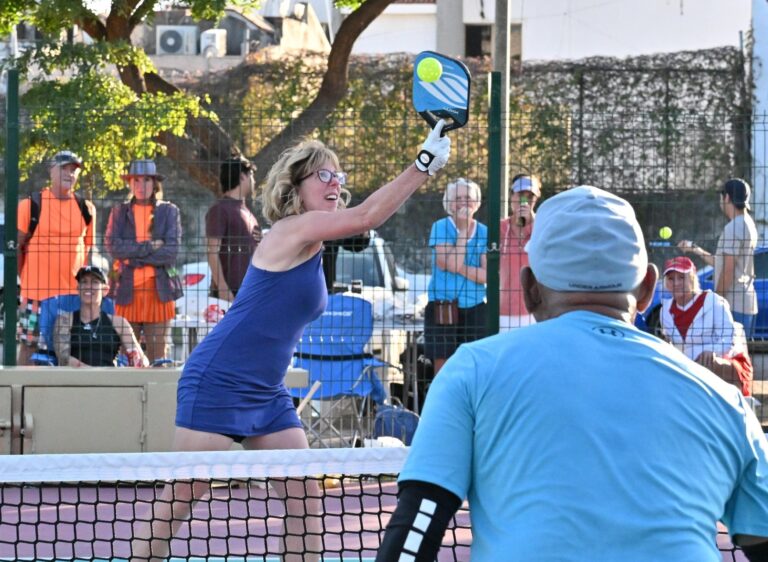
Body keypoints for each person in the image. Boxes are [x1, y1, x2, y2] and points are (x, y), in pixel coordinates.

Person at [377, 186, 768, 562]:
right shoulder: (726, 400)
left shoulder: (471, 370)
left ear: (529, 289)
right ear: (649, 288)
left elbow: (415, 533)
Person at [131, 121, 451, 561]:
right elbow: (367, 216)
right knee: (180, 500)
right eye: (323, 174)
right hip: (218, 380)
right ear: (296, 187)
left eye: (339, 176)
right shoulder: (292, 230)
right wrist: (423, 164)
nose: (335, 182)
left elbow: (360, 225)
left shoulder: (316, 242)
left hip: (268, 391)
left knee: (305, 499)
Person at [16, 150, 96, 365]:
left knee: (68, 349)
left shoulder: (86, 209)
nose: (70, 174)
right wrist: (26, 283)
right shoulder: (30, 205)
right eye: (64, 168)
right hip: (35, 294)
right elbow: (17, 248)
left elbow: (86, 250)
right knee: (29, 346)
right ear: (51, 171)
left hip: (71, 295)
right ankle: (22, 393)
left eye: (74, 170)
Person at [105, 159, 183, 363]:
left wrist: (132, 257)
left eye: (146, 180)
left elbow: (171, 251)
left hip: (159, 292)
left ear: (155, 184)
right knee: (127, 356)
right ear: (130, 184)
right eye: (136, 180)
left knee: (158, 357)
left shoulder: (169, 211)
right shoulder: (119, 212)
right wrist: (149, 247)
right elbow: (114, 247)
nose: (141, 186)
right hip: (126, 292)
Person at [661, 256, 753, 396]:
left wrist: (711, 352)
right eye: (671, 279)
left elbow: (728, 341)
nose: (676, 283)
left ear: (692, 278)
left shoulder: (714, 301)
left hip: (725, 362)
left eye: (681, 277)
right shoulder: (665, 311)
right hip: (687, 367)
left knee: (709, 363)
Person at [678, 178, 758, 337]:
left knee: (726, 359)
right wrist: (695, 249)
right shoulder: (749, 223)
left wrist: (717, 302)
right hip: (746, 301)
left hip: (733, 305)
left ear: (726, 197)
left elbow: (728, 271)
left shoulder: (733, 227)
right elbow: (723, 263)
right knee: (739, 358)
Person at [423, 178, 487, 376]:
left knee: (474, 363)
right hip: (443, 305)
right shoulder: (440, 227)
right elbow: (445, 264)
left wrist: (456, 264)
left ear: (476, 203)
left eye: (467, 198)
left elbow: (486, 275)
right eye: (457, 198)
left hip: (475, 306)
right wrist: (462, 235)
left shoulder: (485, 232)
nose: (463, 202)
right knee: (443, 363)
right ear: (449, 203)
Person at [52, 265, 149, 368]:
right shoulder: (65, 320)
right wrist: (94, 374)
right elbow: (63, 358)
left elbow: (140, 360)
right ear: (78, 289)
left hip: (109, 380)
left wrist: (137, 360)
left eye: (94, 282)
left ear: (105, 290)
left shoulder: (119, 323)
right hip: (77, 379)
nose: (88, 286)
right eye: (84, 282)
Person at [206, 156, 262, 302]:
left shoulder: (248, 213)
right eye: (251, 176)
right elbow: (212, 252)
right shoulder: (219, 210)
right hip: (229, 294)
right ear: (243, 176)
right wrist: (223, 289)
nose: (254, 181)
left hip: (250, 291)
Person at [499, 174, 541, 331]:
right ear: (511, 196)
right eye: (520, 195)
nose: (524, 200)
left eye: (529, 196)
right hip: (503, 310)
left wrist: (533, 223)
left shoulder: (543, 226)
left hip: (535, 311)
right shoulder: (500, 228)